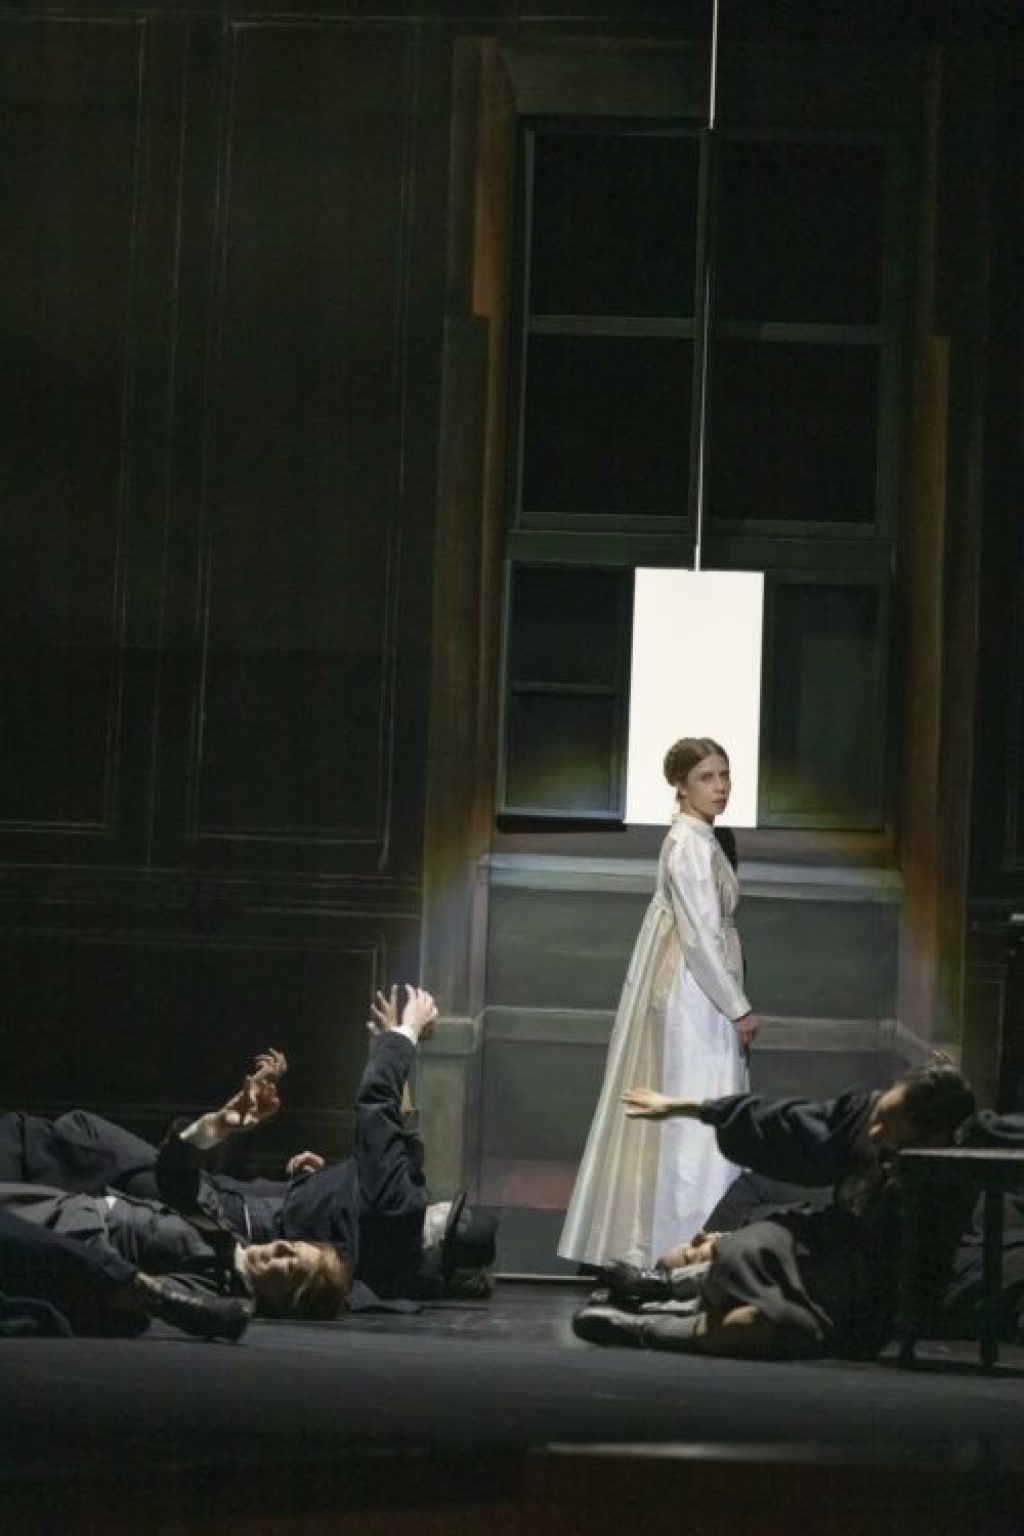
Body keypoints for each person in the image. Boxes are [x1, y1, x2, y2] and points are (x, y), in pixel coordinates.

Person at [0, 986, 497, 1309]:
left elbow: (379, 1109)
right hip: (230, 1206)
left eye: (447, 1216)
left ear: (440, 1237)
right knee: (73, 1179)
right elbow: (400, 1134)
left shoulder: (399, 1207)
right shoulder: (397, 1253)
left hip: (219, 1220)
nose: (437, 1206)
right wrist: (313, 1181)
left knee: (81, 1146)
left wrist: (406, 1033)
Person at [572, 1062, 977, 1359]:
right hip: (824, 1240)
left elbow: (909, 1264)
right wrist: (691, 1108)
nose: (874, 1131)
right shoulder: (862, 1115)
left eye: (889, 1124)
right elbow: (789, 1122)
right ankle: (664, 1288)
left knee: (751, 1325)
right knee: (742, 1250)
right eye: (877, 1116)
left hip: (860, 1293)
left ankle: (642, 1325)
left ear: (929, 1133)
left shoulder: (949, 1174)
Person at [558, 737, 758, 1270]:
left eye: (724, 775)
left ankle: (698, 1246)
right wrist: (737, 1006)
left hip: (705, 988)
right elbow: (698, 936)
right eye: (706, 778)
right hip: (696, 994)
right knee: (695, 1115)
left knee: (705, 1110)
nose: (720, 787)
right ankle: (684, 1249)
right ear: (681, 786)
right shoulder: (688, 844)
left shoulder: (702, 839)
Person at [0, 1064, 347, 1338]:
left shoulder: (219, 1288)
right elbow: (176, 1178)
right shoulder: (225, 1237)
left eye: (292, 1266)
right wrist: (217, 1126)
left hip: (71, 1236)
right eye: (293, 1245)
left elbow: (138, 1296)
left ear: (285, 1301)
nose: (282, 1246)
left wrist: (88, 1244)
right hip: (64, 1205)